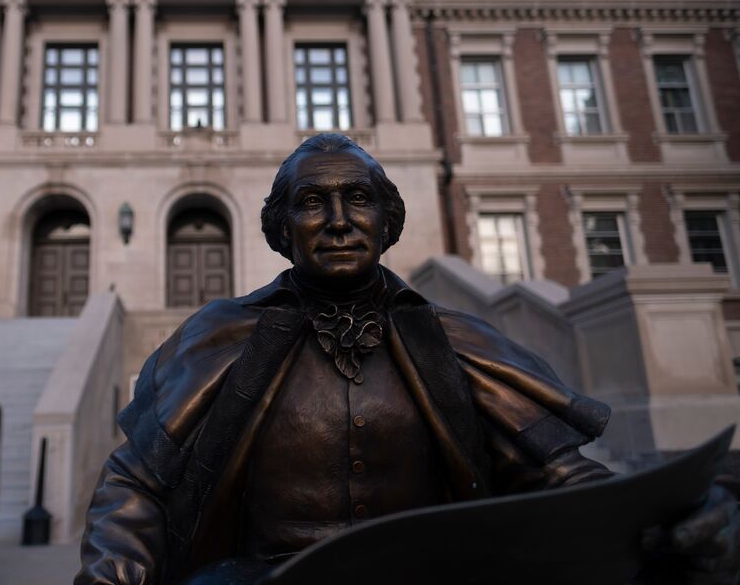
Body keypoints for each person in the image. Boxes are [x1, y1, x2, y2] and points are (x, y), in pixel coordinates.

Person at [76, 133, 739, 585]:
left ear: (387, 222)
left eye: (357, 199)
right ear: (282, 230)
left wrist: (670, 522)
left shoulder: (454, 342)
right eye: (312, 203)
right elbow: (136, 488)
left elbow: (559, 480)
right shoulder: (214, 337)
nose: (338, 220)